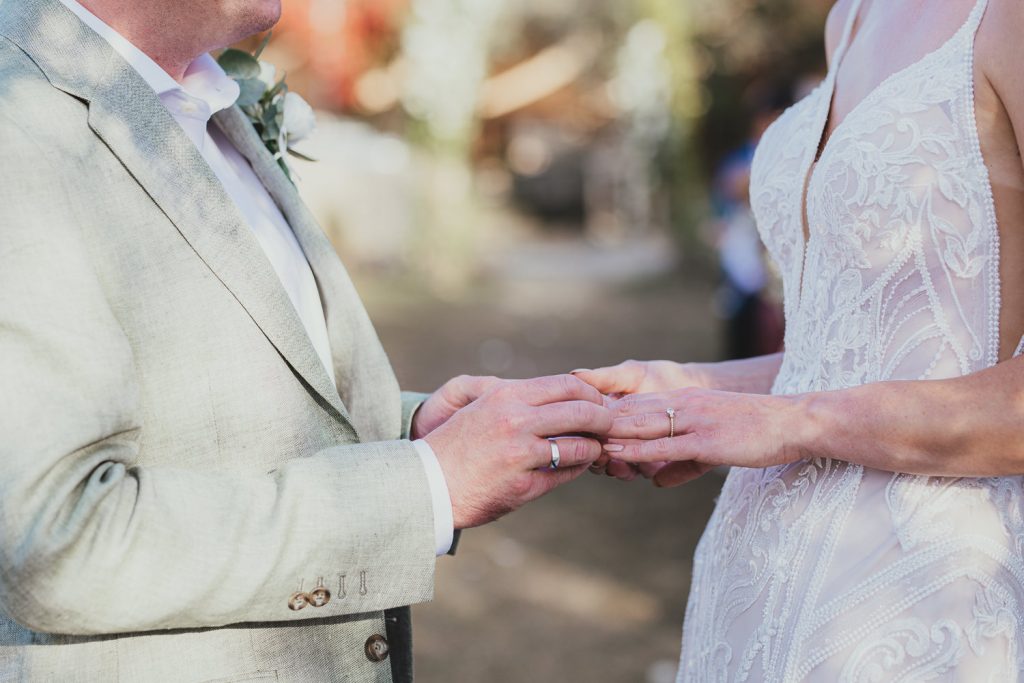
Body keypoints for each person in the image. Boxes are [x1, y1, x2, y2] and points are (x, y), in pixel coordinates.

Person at [0, 0, 612, 680]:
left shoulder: (202, 95)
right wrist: (425, 486)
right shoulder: (17, 116)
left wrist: (410, 431)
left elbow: (210, 394)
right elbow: (61, 538)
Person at [577, 0, 1024, 679]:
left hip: (922, 597)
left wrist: (792, 423)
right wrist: (698, 389)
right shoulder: (852, 15)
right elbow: (862, 347)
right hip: (756, 578)